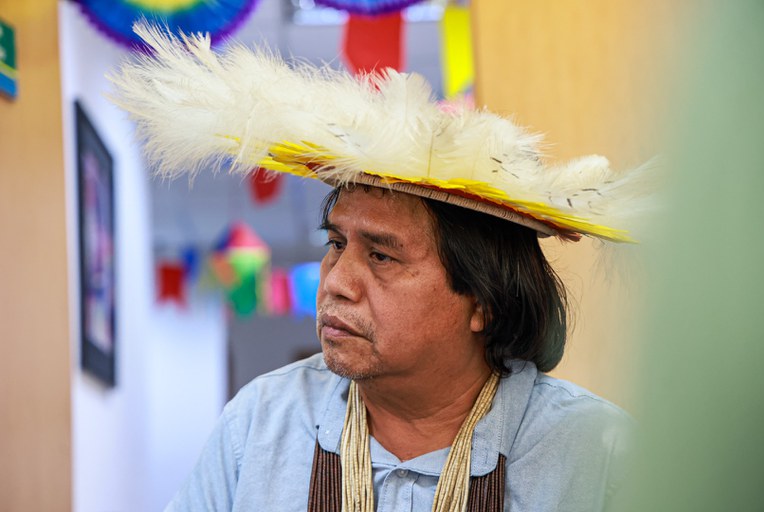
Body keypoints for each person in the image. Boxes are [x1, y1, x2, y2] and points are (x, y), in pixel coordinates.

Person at [111, 23, 644, 512]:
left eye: (382, 255)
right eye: (336, 243)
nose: (336, 283)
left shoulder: (596, 453)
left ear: (483, 300)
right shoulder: (258, 425)